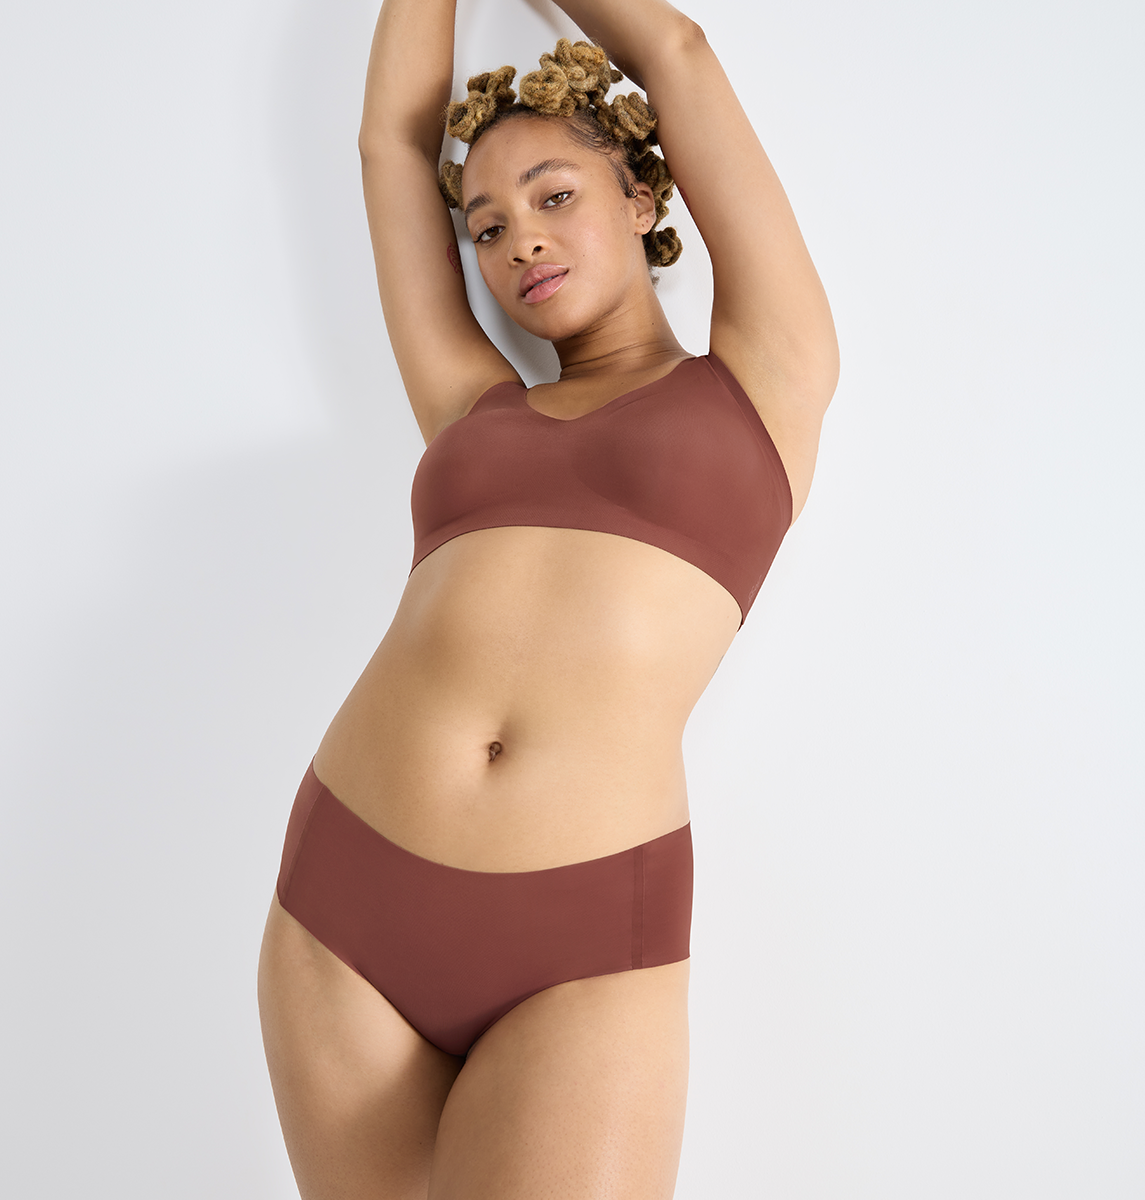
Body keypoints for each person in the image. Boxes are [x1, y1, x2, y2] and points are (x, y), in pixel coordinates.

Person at [257, 0, 838, 1194]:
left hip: (583, 937)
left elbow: (675, 49)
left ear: (643, 197)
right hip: (344, 903)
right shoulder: (470, 404)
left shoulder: (766, 378)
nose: (519, 239)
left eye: (555, 194)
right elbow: (388, 145)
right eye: (486, 225)